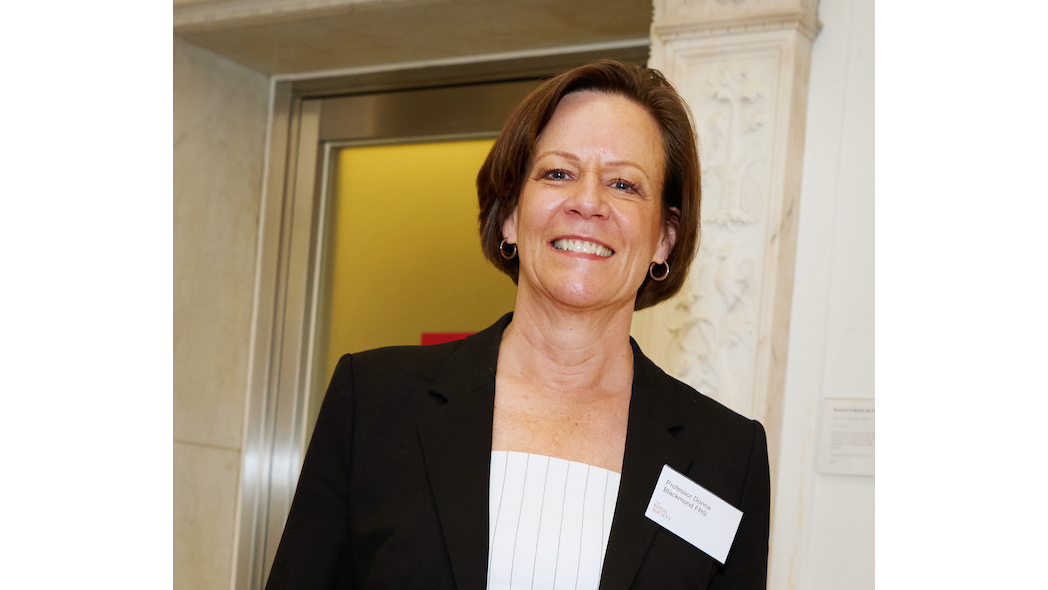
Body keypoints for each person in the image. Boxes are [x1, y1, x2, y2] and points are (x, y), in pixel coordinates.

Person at [265, 60, 770, 590]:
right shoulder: (372, 402)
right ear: (509, 213)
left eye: (624, 184)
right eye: (558, 173)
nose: (588, 203)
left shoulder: (726, 457)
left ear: (665, 238)